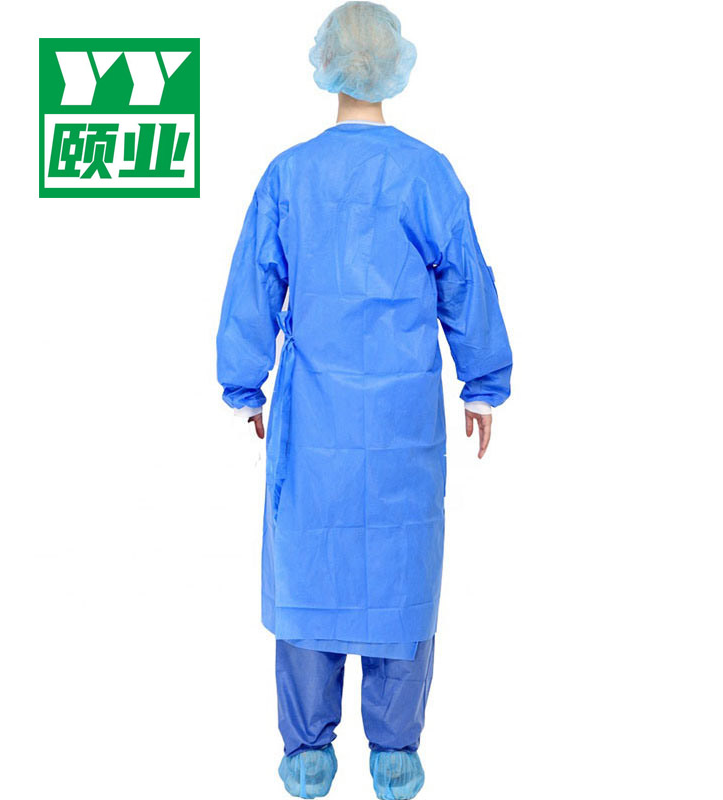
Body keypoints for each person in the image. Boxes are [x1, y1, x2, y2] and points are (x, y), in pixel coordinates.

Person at [216, 3, 512, 797]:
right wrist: (482, 386)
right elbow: (467, 283)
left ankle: (307, 751)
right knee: (398, 566)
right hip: (402, 416)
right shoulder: (427, 174)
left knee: (310, 563)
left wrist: (246, 386)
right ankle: (396, 750)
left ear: (325, 65)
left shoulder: (290, 175)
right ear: (395, 64)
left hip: (312, 414)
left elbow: (253, 285)